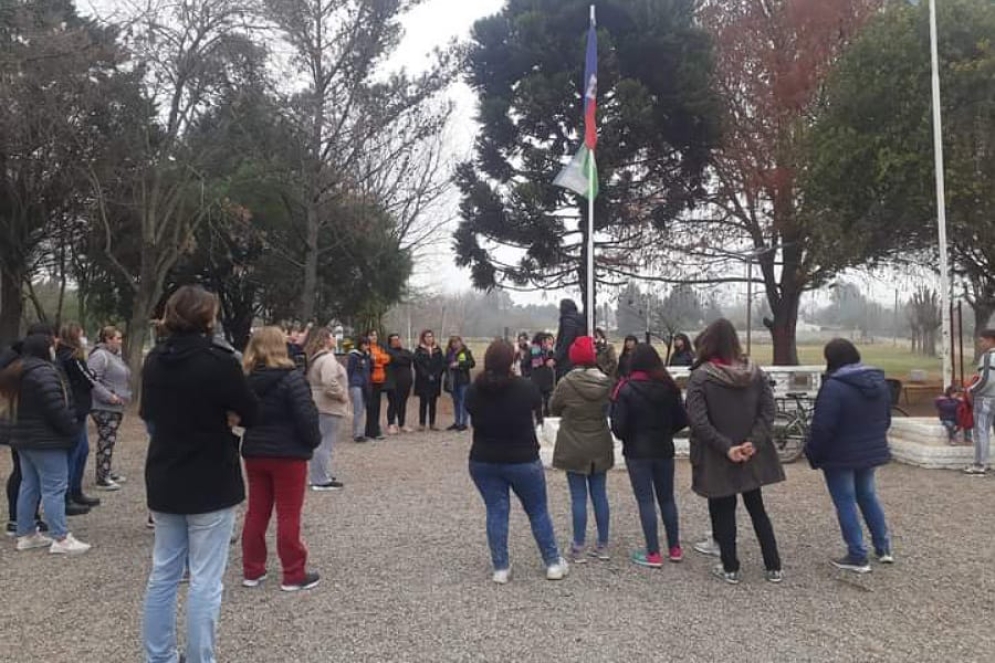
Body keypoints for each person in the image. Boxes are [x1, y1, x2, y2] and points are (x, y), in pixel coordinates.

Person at [141, 285, 259, 663]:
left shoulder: (154, 359)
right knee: (206, 580)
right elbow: (252, 412)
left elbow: (149, 413)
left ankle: (159, 656)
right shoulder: (219, 361)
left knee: (163, 574)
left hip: (165, 471)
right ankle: (199, 658)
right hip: (210, 476)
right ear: (208, 317)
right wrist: (229, 415)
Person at [685, 318, 785, 585]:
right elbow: (768, 411)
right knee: (757, 508)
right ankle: (773, 564)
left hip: (720, 455)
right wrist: (754, 441)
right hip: (751, 452)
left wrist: (726, 447)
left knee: (724, 509)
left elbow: (698, 420)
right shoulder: (755, 372)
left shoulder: (701, 376)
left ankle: (730, 566)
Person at [466, 339, 568, 583]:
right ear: (512, 360)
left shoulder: (473, 390)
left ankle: (500, 567)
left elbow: (472, 413)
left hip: (484, 458)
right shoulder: (526, 387)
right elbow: (537, 408)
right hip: (522, 458)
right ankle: (552, 562)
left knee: (496, 511)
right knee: (537, 511)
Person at [240, 327, 322, 591]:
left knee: (256, 511)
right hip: (288, 454)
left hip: (255, 451)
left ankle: (252, 569)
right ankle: (293, 572)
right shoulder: (292, 379)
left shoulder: (246, 380)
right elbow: (307, 417)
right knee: (288, 514)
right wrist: (312, 441)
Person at [805, 339, 894, 574]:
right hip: (869, 451)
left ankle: (857, 555)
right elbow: (886, 419)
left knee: (845, 501)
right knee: (868, 496)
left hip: (839, 454)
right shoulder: (879, 382)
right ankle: (883, 547)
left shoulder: (834, 386)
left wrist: (813, 453)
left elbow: (823, 426)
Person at [4, 332, 89, 554]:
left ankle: (26, 533)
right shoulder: (44, 373)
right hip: (47, 439)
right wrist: (71, 430)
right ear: (46, 348)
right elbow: (55, 407)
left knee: (29, 485)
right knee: (54, 487)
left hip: (24, 438)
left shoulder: (18, 370)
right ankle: (60, 538)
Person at [611, 344, 688, 568]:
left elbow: (618, 426)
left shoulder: (625, 389)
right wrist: (665, 431)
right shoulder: (669, 387)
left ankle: (653, 553)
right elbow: (682, 419)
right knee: (667, 499)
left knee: (646, 501)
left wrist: (629, 437)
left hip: (637, 451)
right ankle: (675, 548)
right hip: (664, 448)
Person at [550, 336, 614, 563]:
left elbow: (554, 407)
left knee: (578, 497)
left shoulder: (566, 383)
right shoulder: (606, 382)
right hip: (599, 441)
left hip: (573, 442)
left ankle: (578, 547)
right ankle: (603, 545)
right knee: (600, 495)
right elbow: (608, 407)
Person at [57, 323, 101, 512]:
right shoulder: (72, 357)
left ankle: (76, 490)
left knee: (82, 452)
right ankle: (67, 496)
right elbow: (89, 380)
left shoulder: (65, 355)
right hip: (76, 409)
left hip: (80, 408)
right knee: (74, 454)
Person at [88, 325, 131, 491]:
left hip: (116, 406)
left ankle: (106, 470)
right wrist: (109, 396)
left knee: (110, 440)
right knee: (106, 440)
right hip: (104, 406)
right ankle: (102, 477)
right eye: (118, 338)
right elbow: (92, 380)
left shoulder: (115, 356)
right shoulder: (100, 356)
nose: (120, 342)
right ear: (108, 339)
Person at [304, 327, 348, 490]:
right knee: (324, 443)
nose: (335, 339)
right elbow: (329, 382)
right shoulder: (328, 359)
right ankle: (320, 479)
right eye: (333, 336)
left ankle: (319, 474)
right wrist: (342, 395)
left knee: (320, 442)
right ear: (326, 339)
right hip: (327, 405)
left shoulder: (316, 358)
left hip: (319, 404)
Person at [966, 328, 995, 474]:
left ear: (991, 340)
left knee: (981, 432)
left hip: (986, 399)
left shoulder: (988, 356)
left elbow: (986, 379)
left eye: (982, 341)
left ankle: (979, 465)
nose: (980, 344)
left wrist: (972, 390)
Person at [414, 330, 445, 431]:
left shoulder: (438, 349)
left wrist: (436, 375)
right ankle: (422, 423)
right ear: (423, 338)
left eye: (431, 336)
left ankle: (432, 423)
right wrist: (426, 375)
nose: (429, 338)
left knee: (433, 402)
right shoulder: (419, 350)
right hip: (423, 380)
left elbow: (442, 364)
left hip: (435, 380)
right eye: (427, 337)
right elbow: (417, 364)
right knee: (423, 402)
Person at [385, 334, 415, 434]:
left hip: (406, 382)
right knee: (393, 403)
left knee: (403, 403)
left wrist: (400, 358)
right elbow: (396, 359)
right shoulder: (388, 352)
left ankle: (402, 424)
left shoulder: (405, 351)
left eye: (398, 339)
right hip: (393, 382)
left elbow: (411, 357)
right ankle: (391, 424)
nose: (397, 341)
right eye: (394, 340)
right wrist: (400, 358)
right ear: (390, 342)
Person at [445, 335, 475, 432]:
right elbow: (445, 363)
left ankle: (464, 423)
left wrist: (460, 364)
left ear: (461, 342)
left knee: (463, 401)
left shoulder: (466, 352)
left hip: (463, 380)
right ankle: (457, 422)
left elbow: (472, 363)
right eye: (453, 342)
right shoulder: (449, 353)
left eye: (457, 342)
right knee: (456, 401)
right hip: (452, 380)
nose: (455, 344)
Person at [365, 329, 390, 441]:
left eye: (375, 335)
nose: (374, 337)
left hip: (379, 380)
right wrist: (377, 360)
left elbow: (387, 358)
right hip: (370, 381)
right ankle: (370, 430)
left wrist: (378, 359)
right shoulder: (367, 348)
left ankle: (376, 429)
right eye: (371, 335)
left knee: (377, 406)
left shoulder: (380, 348)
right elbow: (369, 360)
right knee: (371, 406)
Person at [553, 299, 586, 380]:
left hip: (566, 360)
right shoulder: (580, 320)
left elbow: (566, 341)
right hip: (579, 356)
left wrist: (556, 358)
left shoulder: (567, 321)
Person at [347, 337, 372, 443]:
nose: (366, 347)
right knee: (358, 409)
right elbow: (350, 370)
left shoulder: (367, 357)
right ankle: (357, 434)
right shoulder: (353, 356)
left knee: (362, 409)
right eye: (365, 344)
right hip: (356, 383)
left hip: (364, 384)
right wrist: (350, 383)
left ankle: (358, 432)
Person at [529, 333, 556, 419]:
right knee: (538, 403)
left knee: (548, 401)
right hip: (537, 380)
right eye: (545, 341)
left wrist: (551, 351)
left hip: (547, 381)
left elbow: (552, 361)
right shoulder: (534, 349)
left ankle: (546, 417)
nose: (546, 343)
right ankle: (539, 419)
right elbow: (527, 363)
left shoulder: (547, 350)